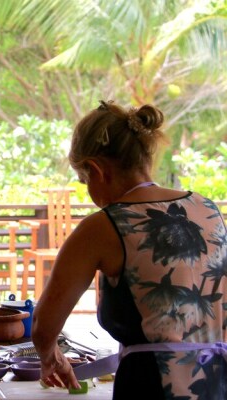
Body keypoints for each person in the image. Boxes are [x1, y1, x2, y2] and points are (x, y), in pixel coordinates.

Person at [31, 100, 226, 399]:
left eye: (84, 180)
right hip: (216, 383)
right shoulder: (207, 209)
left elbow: (44, 328)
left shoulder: (104, 226)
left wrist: (52, 358)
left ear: (96, 170)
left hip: (150, 388)